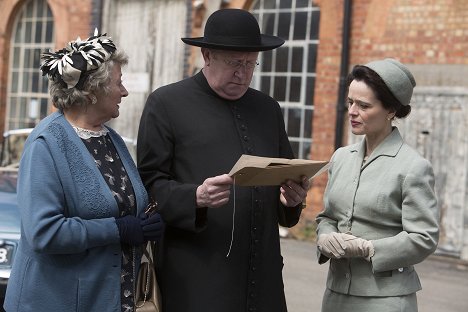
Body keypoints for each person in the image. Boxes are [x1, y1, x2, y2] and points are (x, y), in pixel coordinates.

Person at [137, 8, 309, 312]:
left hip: (264, 275)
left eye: (250, 63)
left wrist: (292, 200)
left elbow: (285, 176)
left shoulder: (268, 108)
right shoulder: (166, 103)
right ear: (206, 55)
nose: (242, 73)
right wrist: (195, 196)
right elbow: (149, 185)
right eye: (234, 63)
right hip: (196, 279)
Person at [4, 32, 163, 312]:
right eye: (119, 83)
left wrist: (145, 221)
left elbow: (123, 204)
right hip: (59, 302)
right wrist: (118, 229)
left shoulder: (111, 140)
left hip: (113, 299)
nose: (124, 92)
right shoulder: (47, 143)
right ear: (93, 91)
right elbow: (44, 232)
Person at [315, 58, 440, 312]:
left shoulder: (413, 166)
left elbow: (424, 237)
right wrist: (325, 236)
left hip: (386, 300)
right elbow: (327, 217)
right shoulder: (341, 157)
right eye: (350, 102)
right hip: (336, 294)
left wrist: (370, 249)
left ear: (391, 110)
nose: (351, 111)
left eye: (363, 105)